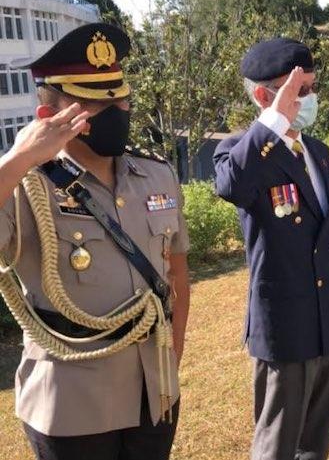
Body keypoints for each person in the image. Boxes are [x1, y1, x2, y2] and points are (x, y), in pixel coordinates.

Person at [0, 23, 190, 460]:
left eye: (119, 96)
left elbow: (177, 277)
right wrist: (20, 158)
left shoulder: (156, 174)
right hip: (72, 405)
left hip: (152, 392)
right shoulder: (25, 185)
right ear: (49, 114)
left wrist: (171, 365)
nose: (115, 109)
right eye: (93, 102)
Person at [213, 38, 329, 460]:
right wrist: (271, 123)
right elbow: (231, 186)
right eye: (298, 90)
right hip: (285, 324)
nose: (309, 98)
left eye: (311, 87)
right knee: (278, 443)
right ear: (262, 95)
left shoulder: (318, 151)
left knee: (317, 439)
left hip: (328, 316)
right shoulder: (239, 150)